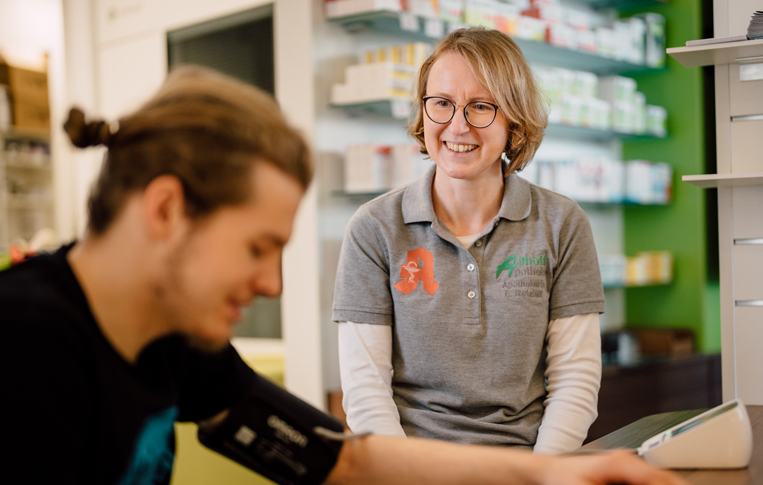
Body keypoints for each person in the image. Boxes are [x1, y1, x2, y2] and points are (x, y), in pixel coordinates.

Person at [1, 65, 687, 485]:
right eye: (257, 247)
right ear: (166, 209)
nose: (272, 283)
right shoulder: (29, 347)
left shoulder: (176, 343)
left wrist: (555, 474)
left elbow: (341, 461)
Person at [334, 28, 604, 454]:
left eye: (480, 107)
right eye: (441, 103)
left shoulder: (561, 223)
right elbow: (366, 390)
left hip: (525, 466)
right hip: (412, 467)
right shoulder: (374, 229)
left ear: (514, 118)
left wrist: (539, 476)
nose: (456, 126)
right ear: (423, 113)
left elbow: (576, 379)